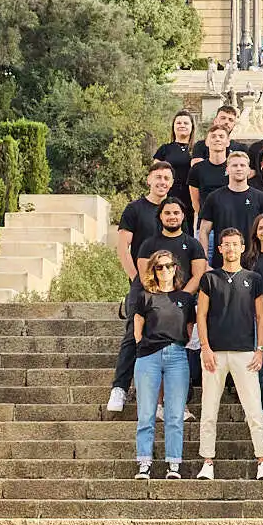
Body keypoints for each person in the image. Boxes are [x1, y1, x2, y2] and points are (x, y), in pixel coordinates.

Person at [108, 162, 191, 415]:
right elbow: (123, 248)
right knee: (134, 333)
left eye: (167, 178)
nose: (162, 182)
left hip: (170, 287)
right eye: (158, 177)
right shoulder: (135, 209)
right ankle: (120, 388)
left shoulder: (175, 211)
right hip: (142, 284)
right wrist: (137, 279)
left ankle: (164, 401)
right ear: (149, 180)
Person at [195, 228, 263, 481]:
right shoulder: (209, 279)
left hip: (245, 352)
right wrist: (205, 348)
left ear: (242, 247)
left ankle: (262, 462)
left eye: (235, 244)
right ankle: (207, 462)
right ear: (220, 248)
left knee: (254, 410)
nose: (230, 249)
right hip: (214, 353)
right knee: (209, 410)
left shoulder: (253, 278)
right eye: (226, 245)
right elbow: (200, 315)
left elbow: (261, 316)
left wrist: (260, 349)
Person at [130, 248, 195, 480]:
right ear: (154, 271)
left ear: (175, 268)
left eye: (169, 265)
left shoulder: (185, 298)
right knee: (146, 413)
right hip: (149, 356)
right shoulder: (145, 296)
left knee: (175, 414)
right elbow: (138, 328)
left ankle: (173, 464)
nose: (165, 270)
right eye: (159, 266)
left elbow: (189, 328)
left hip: (177, 355)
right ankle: (144, 463)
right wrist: (143, 348)